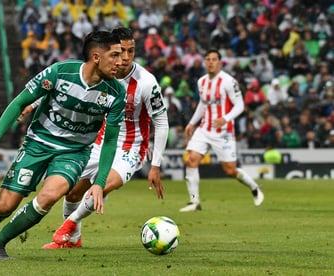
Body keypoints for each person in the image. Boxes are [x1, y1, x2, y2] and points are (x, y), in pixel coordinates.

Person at [0, 31, 126, 260]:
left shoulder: (116, 93)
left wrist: (99, 183)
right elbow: (20, 101)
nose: (120, 62)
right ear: (96, 57)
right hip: (38, 143)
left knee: (50, 196)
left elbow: (110, 140)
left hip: (74, 152)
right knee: (5, 206)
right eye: (114, 55)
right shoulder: (60, 72)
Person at [38, 27, 169, 249]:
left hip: (131, 148)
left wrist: (155, 165)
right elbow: (63, 90)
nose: (126, 57)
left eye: (131, 51)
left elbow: (161, 122)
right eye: (121, 52)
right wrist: (32, 105)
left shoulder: (146, 82)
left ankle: (68, 225)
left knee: (104, 185)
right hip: (99, 143)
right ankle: (73, 239)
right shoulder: (100, 74)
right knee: (72, 193)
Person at [180, 48, 264, 212]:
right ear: (205, 62)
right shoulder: (201, 81)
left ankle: (254, 187)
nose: (210, 62)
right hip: (204, 128)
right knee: (191, 160)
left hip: (224, 132)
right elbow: (203, 104)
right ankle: (194, 202)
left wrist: (225, 118)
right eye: (208, 59)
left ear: (220, 62)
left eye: (214, 59)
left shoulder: (228, 81)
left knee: (230, 170)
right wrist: (191, 123)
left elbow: (240, 105)